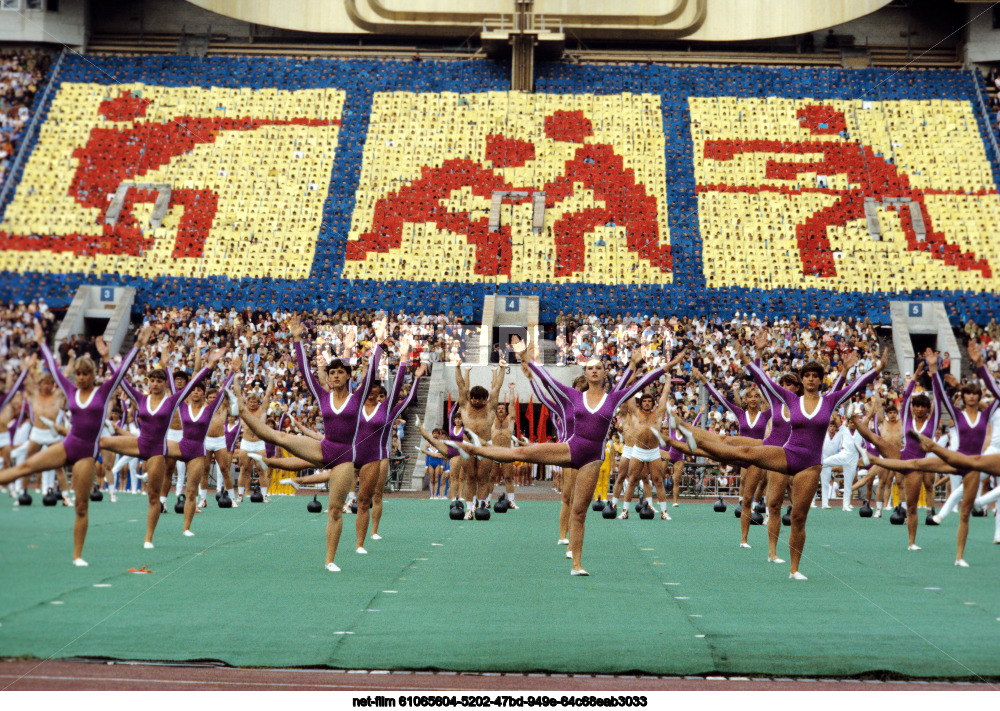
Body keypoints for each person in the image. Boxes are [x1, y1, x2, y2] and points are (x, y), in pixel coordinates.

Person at [450, 344, 686, 576]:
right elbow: (548, 382)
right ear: (585, 373)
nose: (594, 370)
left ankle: (577, 564)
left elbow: (641, 382)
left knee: (580, 511)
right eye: (590, 367)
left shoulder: (613, 399)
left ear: (604, 373)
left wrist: (668, 365)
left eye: (598, 367)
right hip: (570, 448)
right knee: (520, 453)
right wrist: (526, 359)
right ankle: (473, 448)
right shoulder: (573, 396)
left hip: (593, 458)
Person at [670, 330, 885, 579]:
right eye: (807, 376)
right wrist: (749, 356)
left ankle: (794, 569)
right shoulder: (790, 400)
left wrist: (876, 367)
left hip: (810, 465)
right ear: (802, 380)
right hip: (788, 453)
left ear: (821, 380)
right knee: (745, 452)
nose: (811, 380)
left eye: (816, 376)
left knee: (798, 516)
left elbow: (857, 385)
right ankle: (694, 439)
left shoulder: (830, 400)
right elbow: (764, 381)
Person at [237, 314, 385, 572]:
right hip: (324, 446)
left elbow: (371, 372)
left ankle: (329, 560)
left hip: (344, 457)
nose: (336, 375)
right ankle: (241, 413)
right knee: (278, 436)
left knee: (335, 510)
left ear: (348, 376)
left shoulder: (357, 397)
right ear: (328, 377)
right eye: (332, 372)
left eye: (340, 372)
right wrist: (296, 339)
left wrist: (379, 343)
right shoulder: (323, 395)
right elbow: (305, 372)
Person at [0, 322, 151, 565]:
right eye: (78, 374)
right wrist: (40, 342)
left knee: (81, 507)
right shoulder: (69, 389)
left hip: (86, 454)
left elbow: (122, 371)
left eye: (85, 374)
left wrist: (140, 344)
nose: (80, 378)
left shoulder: (102, 393)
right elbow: (53, 368)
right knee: (24, 467)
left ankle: (77, 555)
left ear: (92, 375)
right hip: (68, 445)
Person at [872, 343, 999, 565]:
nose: (970, 398)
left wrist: (980, 366)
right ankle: (874, 460)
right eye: (967, 394)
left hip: (970, 465)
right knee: (915, 472)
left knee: (965, 512)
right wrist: (932, 371)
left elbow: (941, 402)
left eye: (974, 395)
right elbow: (939, 395)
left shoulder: (985, 415)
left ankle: (959, 556)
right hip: (949, 461)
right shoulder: (955, 417)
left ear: (978, 398)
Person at [101, 344, 223, 547]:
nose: (155, 384)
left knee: (153, 496)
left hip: (157, 450)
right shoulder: (140, 398)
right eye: (152, 380)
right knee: (101, 441)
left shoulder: (172, 401)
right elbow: (120, 380)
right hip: (139, 443)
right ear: (148, 383)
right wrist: (107, 358)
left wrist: (209, 365)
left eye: (159, 381)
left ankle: (148, 537)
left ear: (165, 384)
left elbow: (192, 383)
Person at [849, 352, 941, 550]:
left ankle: (911, 542)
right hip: (901, 456)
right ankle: (854, 418)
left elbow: (939, 401)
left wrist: (933, 372)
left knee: (912, 506)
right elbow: (906, 397)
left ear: (927, 409)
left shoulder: (931, 423)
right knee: (875, 438)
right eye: (916, 406)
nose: (919, 409)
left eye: (922, 407)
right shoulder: (907, 419)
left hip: (917, 465)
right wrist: (914, 377)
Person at [453, 358, 505, 518]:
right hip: (468, 446)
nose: (476, 400)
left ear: (484, 399)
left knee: (483, 479)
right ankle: (469, 508)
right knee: (469, 478)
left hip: (485, 446)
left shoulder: (490, 408)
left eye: (479, 398)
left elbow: (496, 388)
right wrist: (457, 367)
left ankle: (481, 506)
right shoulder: (464, 406)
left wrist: (502, 369)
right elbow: (461, 386)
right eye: (474, 398)